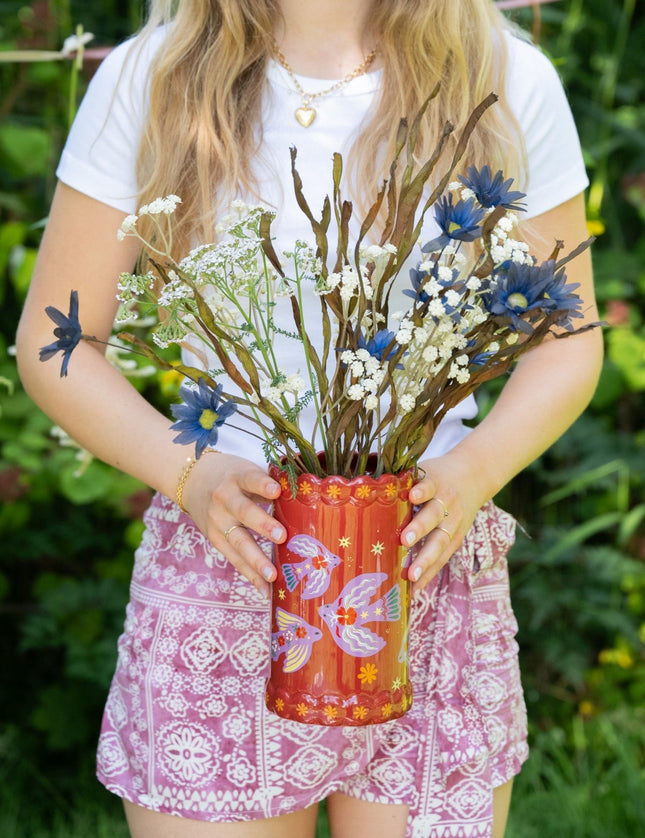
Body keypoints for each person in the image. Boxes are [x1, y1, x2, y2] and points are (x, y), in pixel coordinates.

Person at [15, 1, 602, 836]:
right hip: (228, 554)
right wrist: (194, 473)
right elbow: (55, 340)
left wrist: (472, 470)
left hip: (423, 560)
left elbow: (565, 343)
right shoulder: (153, 77)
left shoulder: (502, 76)